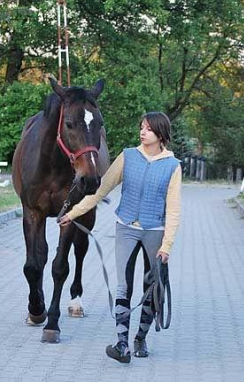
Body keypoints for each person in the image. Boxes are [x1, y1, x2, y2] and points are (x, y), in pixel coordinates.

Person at [58, 111, 181, 363]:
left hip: (154, 232)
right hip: (125, 227)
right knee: (124, 286)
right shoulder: (128, 157)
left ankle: (140, 338)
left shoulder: (172, 166)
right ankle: (122, 343)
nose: (142, 132)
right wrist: (73, 213)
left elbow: (174, 209)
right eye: (141, 127)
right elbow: (100, 190)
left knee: (151, 288)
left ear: (160, 134)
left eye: (147, 129)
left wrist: (166, 245)